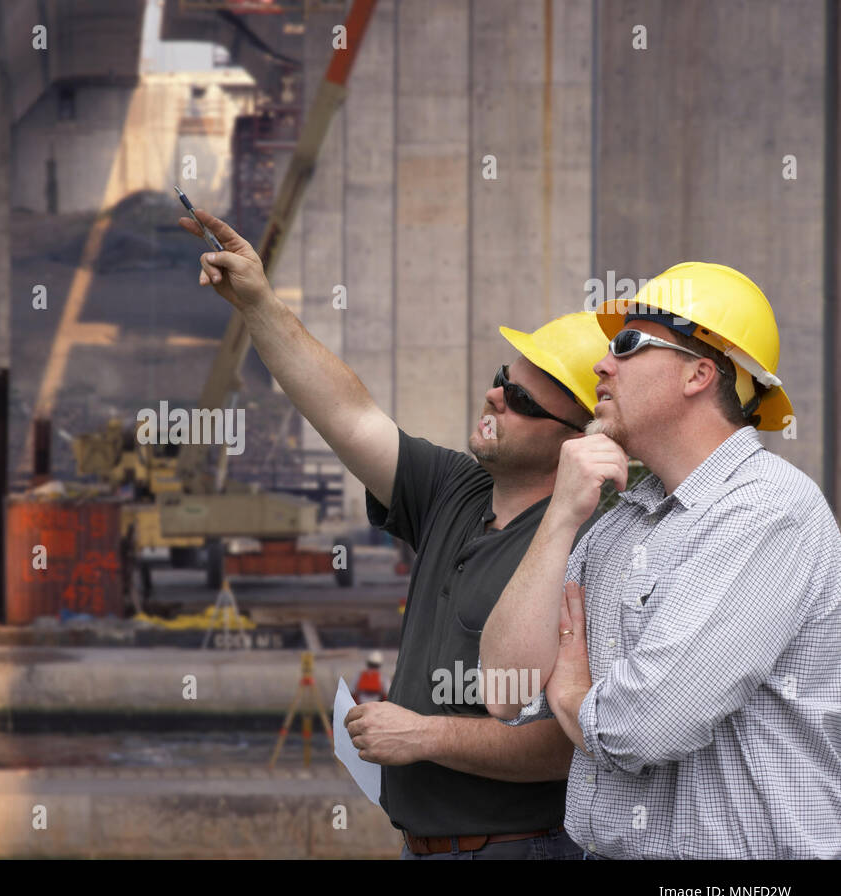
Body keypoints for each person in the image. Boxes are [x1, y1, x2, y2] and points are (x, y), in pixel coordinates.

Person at [181, 207, 605, 859]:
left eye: (521, 401)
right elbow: (348, 412)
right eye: (501, 381)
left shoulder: (590, 546)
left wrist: (426, 736)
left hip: (523, 848)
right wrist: (258, 302)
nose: (494, 398)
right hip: (425, 846)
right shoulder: (454, 492)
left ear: (575, 441)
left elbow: (573, 745)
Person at [480, 262, 841, 859]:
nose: (601, 365)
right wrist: (561, 517)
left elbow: (646, 724)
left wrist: (570, 688)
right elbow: (504, 689)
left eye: (626, 345)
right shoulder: (616, 525)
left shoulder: (769, 511)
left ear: (700, 373)